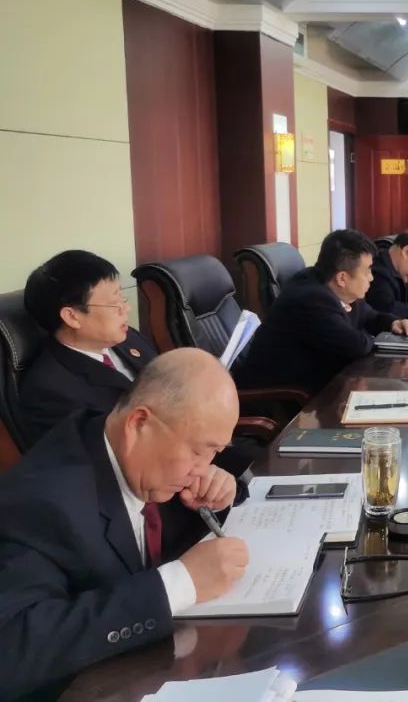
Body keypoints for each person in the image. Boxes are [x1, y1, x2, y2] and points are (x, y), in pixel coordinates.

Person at [0, 349, 252, 699]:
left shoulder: (139, 455)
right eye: (199, 451)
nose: (203, 467)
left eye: (214, 453)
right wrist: (177, 584)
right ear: (139, 423)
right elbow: (12, 648)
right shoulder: (43, 502)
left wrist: (217, 493)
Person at [232, 230, 408, 394]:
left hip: (325, 382)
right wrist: (378, 338)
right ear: (342, 278)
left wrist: (393, 323)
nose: (371, 278)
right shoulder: (311, 299)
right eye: (367, 271)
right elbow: (356, 346)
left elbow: (369, 315)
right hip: (284, 397)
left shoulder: (329, 282)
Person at [20, 250, 157, 447]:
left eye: (122, 297)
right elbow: (100, 456)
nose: (126, 309)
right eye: (114, 304)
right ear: (72, 317)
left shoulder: (129, 338)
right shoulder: (49, 392)